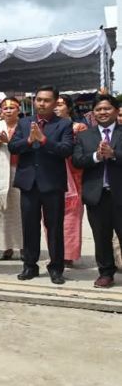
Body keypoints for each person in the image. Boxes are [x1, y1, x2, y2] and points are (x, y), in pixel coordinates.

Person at [9, 85, 74, 285]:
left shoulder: (63, 124)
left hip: (52, 184)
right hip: (28, 183)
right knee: (29, 226)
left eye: (46, 100)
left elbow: (66, 150)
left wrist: (44, 140)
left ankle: (56, 267)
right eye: (38, 100)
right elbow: (13, 146)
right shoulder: (24, 122)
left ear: (55, 103)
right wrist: (29, 141)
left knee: (54, 227)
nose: (41, 103)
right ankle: (30, 265)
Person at [72, 94, 122, 288]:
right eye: (99, 109)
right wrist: (97, 156)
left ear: (116, 111)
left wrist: (114, 154)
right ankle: (106, 273)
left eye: (107, 108)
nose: (103, 112)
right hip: (97, 195)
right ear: (93, 113)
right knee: (101, 237)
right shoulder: (85, 136)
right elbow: (77, 160)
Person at [0, 97, 23, 261]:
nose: (8, 111)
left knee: (21, 211)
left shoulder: (26, 125)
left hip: (21, 170)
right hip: (1, 170)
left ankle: (23, 247)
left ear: (18, 110)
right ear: (1, 111)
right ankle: (6, 247)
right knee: (3, 211)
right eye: (5, 108)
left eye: (12, 108)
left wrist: (11, 142)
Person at [53, 94, 87, 266]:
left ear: (69, 107)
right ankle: (55, 252)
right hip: (51, 174)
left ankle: (68, 254)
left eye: (60, 104)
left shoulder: (78, 127)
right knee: (50, 217)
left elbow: (83, 151)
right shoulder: (47, 126)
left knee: (72, 217)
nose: (56, 108)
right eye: (55, 104)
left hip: (73, 175)